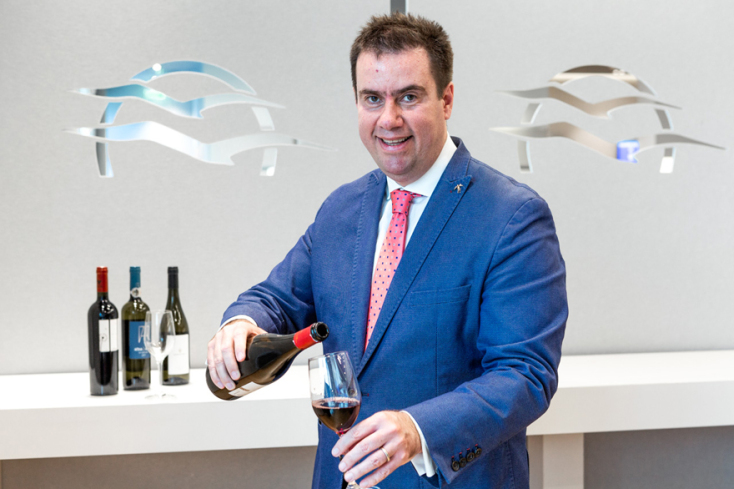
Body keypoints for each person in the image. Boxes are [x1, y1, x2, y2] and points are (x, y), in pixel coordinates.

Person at [207, 12, 567, 489]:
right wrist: (240, 324)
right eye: (372, 99)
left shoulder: (513, 217)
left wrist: (418, 431)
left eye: (409, 97)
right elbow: (276, 299)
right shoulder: (342, 209)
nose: (389, 119)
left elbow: (525, 375)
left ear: (447, 99)